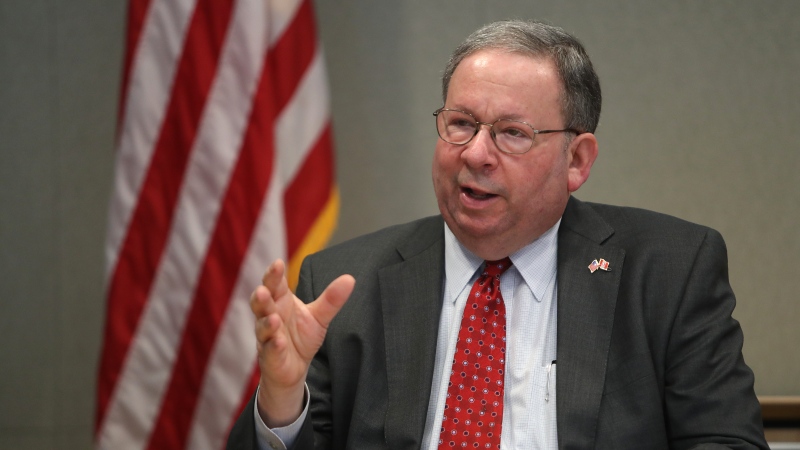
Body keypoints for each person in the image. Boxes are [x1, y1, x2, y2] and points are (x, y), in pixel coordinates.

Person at [227, 20, 768, 449]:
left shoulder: (669, 271)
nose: (475, 154)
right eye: (460, 123)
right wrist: (280, 401)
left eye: (512, 133)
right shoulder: (344, 284)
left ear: (576, 160)